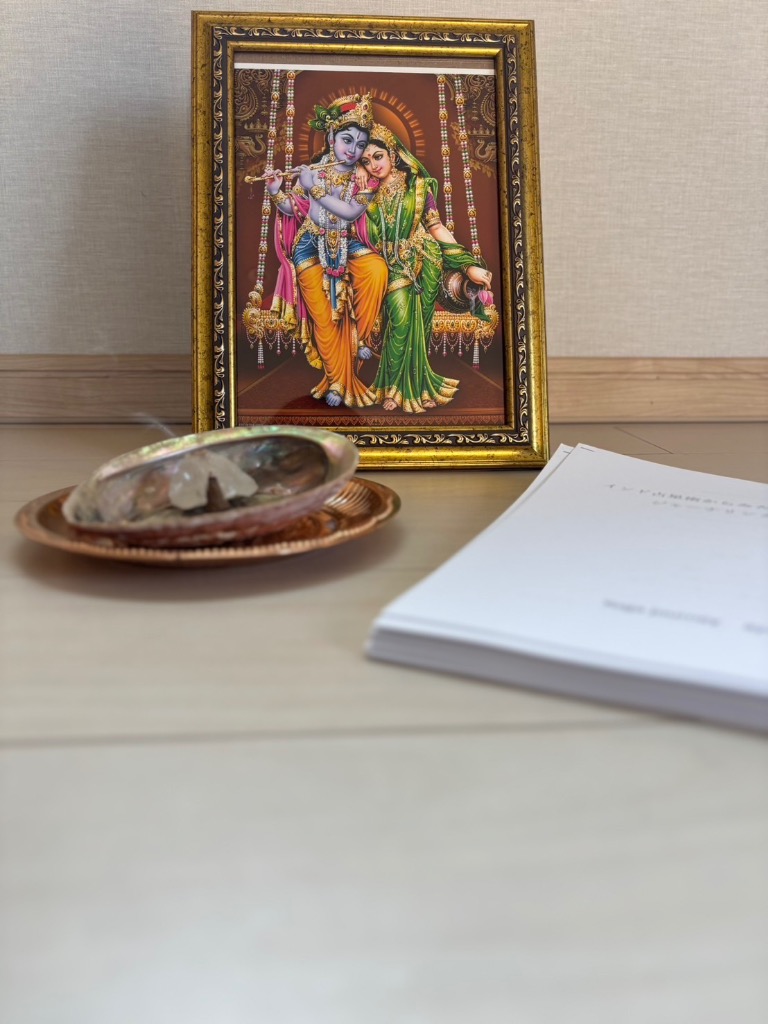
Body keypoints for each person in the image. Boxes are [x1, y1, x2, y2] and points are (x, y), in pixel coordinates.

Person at [358, 125, 492, 413]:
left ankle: (416, 388)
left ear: (393, 154)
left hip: (423, 262)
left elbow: (436, 227)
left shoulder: (418, 187)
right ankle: (393, 388)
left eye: (378, 156)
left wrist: (469, 265)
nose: (373, 165)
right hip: (388, 266)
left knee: (419, 326)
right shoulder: (368, 192)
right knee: (399, 321)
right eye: (366, 161)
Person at [265, 94, 387, 408]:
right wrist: (276, 191)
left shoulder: (365, 176)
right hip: (310, 243)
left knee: (377, 270)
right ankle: (336, 381)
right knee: (324, 317)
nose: (353, 150)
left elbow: (350, 213)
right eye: (347, 140)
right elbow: (294, 208)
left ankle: (361, 337)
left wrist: (314, 187)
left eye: (360, 144)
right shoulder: (314, 169)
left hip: (347, 240)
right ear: (331, 136)